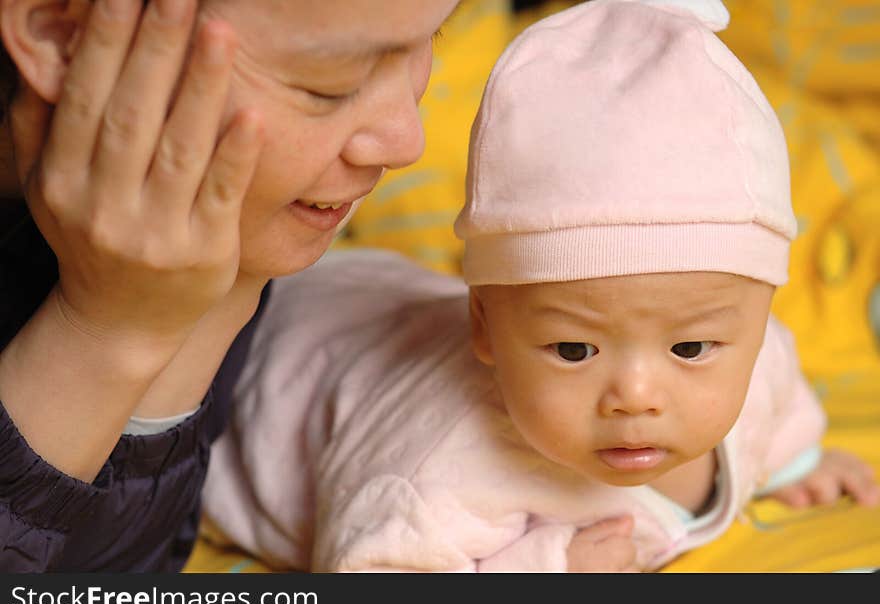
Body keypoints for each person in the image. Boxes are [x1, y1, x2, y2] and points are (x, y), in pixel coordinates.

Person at [201, 0, 880, 572]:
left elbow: (775, 395)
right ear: (485, 326)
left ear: (759, 319)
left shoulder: (754, 356)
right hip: (275, 337)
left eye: (692, 348)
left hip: (379, 293)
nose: (635, 397)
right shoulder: (434, 478)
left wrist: (798, 461)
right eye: (575, 349)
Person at [0, 0, 469, 572]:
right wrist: (107, 333)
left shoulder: (214, 225)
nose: (405, 141)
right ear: (60, 33)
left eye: (431, 35)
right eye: (330, 84)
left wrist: (213, 304)